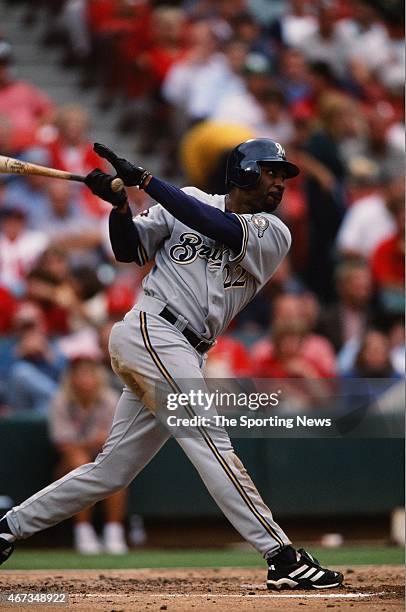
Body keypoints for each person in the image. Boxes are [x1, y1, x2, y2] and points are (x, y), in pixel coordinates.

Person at [0, 138, 343, 590]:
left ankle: (7, 527)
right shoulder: (190, 200)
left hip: (184, 348)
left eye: (282, 175)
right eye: (271, 171)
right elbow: (128, 250)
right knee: (210, 439)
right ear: (241, 171)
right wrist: (120, 206)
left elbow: (217, 226)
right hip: (154, 329)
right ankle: (281, 555)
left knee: (112, 471)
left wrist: (143, 181)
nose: (279, 182)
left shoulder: (273, 232)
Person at [49, 357, 127, 554]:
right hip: (68, 465)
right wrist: (92, 441)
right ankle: (83, 532)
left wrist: (100, 442)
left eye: (88, 374)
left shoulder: (109, 398)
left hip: (103, 457)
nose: (84, 379)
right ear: (71, 379)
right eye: (79, 374)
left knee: (114, 469)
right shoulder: (61, 400)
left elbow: (117, 442)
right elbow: (63, 445)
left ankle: (113, 532)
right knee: (79, 461)